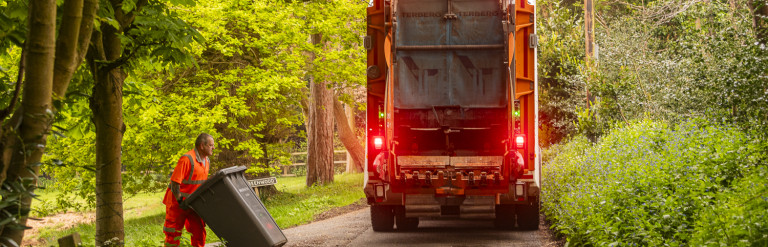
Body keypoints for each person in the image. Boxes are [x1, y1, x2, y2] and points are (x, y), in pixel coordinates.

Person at [163, 133, 215, 247]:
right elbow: (175, 183)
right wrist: (180, 201)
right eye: (211, 145)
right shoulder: (186, 159)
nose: (213, 148)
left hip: (194, 204)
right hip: (177, 203)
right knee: (173, 235)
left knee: (199, 233)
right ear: (202, 146)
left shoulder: (207, 161)